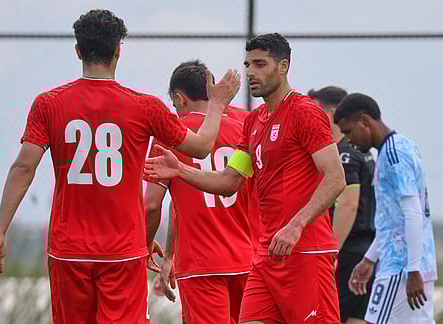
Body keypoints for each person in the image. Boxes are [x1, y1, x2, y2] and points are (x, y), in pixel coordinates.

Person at [0, 9, 241, 324]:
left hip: (69, 249)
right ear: (119, 50)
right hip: (123, 250)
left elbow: (23, 168)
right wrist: (216, 104)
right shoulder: (144, 106)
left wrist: (0, 232)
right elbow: (202, 145)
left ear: (78, 50)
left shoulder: (48, 103)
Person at [145, 33, 346, 323]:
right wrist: (180, 170)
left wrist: (296, 225)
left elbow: (335, 178)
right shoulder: (253, 122)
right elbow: (229, 181)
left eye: (260, 64)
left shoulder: (306, 112)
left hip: (305, 250)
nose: (251, 72)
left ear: (283, 66)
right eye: (248, 64)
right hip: (265, 256)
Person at [146, 60, 255, 324]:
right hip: (250, 259)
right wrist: (171, 254)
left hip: (202, 263)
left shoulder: (172, 133)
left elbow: (152, 205)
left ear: (178, 98)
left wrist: (145, 247)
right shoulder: (247, 123)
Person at [334, 93, 438, 324]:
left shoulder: (393, 155)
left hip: (400, 269)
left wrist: (412, 270)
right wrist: (369, 260)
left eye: (348, 131)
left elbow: (413, 213)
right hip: (416, 265)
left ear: (364, 121)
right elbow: (394, 221)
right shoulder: (401, 146)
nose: (348, 140)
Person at [310, 86, 376, 324]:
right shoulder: (362, 153)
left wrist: (331, 252)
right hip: (364, 250)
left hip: (347, 251)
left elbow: (348, 205)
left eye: (316, 111)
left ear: (333, 113)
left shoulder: (344, 155)